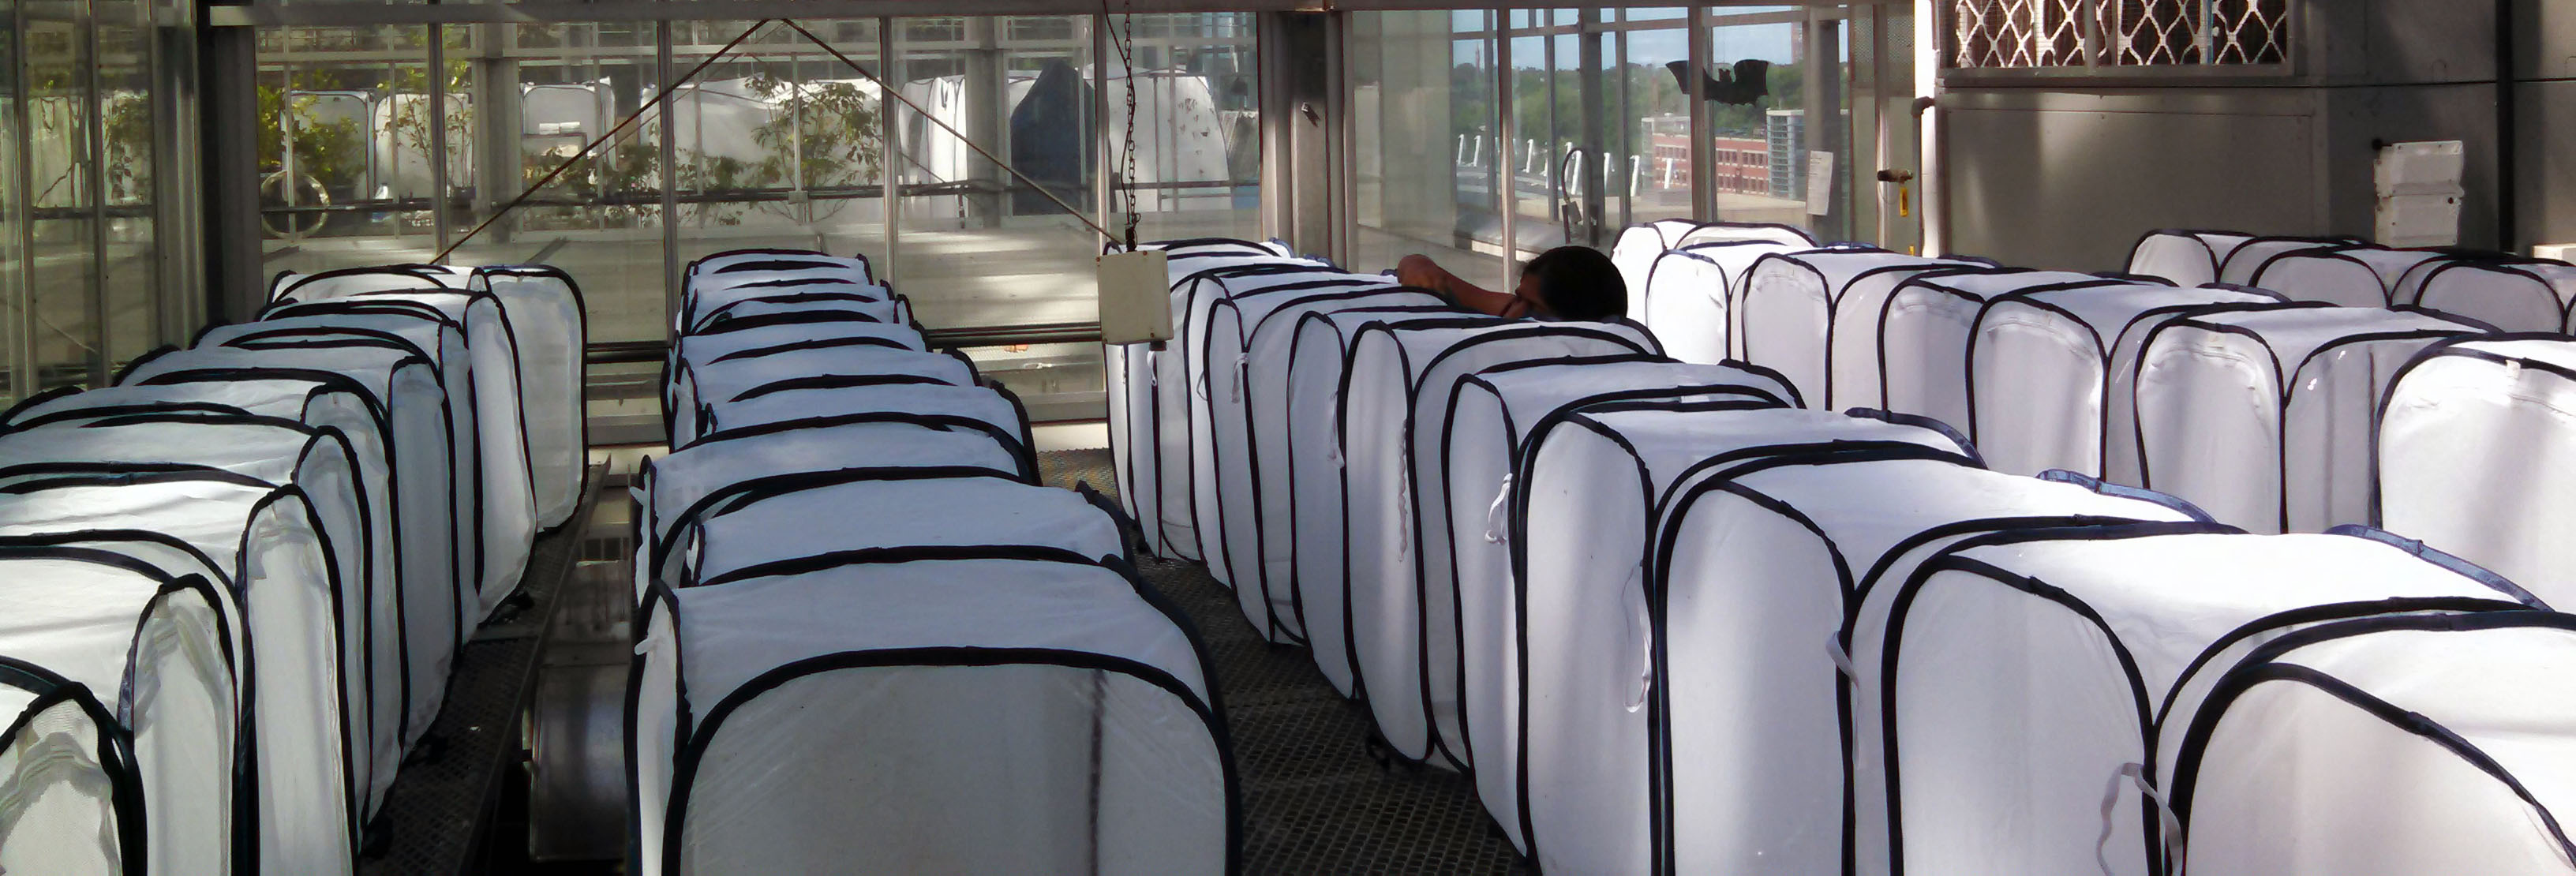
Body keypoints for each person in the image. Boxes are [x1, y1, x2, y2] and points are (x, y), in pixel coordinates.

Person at [1396, 245, 1628, 320]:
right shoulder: (1515, 313)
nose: (1511, 312)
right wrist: (1417, 266)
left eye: (1531, 306)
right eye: (1518, 298)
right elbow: (1431, 277)